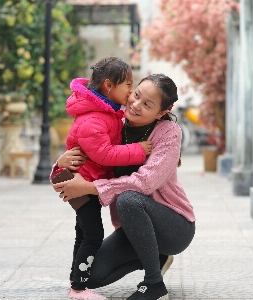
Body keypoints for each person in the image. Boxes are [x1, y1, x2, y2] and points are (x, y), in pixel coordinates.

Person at [53, 74, 196, 300]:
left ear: (160, 113)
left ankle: (153, 284)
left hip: (174, 226)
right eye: (136, 95)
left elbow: (145, 182)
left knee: (129, 198)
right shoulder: (114, 124)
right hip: (134, 229)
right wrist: (62, 163)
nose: (136, 104)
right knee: (91, 276)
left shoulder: (169, 132)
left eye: (147, 104)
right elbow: (88, 154)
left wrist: (90, 188)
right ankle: (157, 259)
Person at [50, 57, 153, 300]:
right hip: (81, 184)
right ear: (108, 86)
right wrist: (140, 149)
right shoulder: (93, 119)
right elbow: (105, 155)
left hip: (86, 181)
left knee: (83, 232)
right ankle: (78, 288)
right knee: (93, 235)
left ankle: (76, 280)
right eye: (128, 85)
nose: (130, 91)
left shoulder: (105, 113)